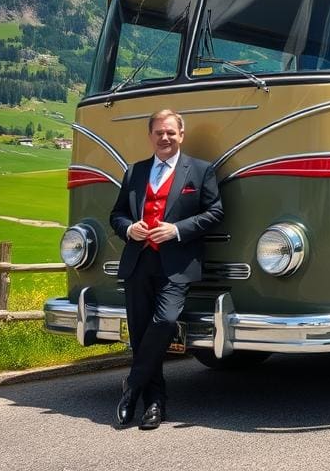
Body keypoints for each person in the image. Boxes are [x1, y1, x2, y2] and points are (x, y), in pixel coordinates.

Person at [109, 109, 223, 429]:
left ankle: (131, 386)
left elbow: (215, 212)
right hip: (138, 262)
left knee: (165, 322)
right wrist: (128, 229)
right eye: (159, 132)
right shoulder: (135, 172)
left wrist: (176, 230)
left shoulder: (201, 171)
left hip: (177, 265)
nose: (165, 137)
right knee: (142, 334)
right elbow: (116, 215)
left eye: (171, 132)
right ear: (151, 136)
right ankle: (154, 405)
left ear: (181, 135)